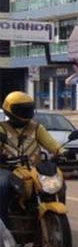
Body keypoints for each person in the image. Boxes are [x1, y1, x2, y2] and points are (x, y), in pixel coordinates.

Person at [0, 92, 65, 226]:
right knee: (3, 186)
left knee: (59, 184)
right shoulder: (2, 129)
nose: (26, 113)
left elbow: (51, 144)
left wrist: (62, 152)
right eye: (21, 109)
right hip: (8, 169)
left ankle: (53, 218)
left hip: (34, 169)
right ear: (10, 110)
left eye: (28, 109)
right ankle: (4, 226)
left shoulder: (36, 128)